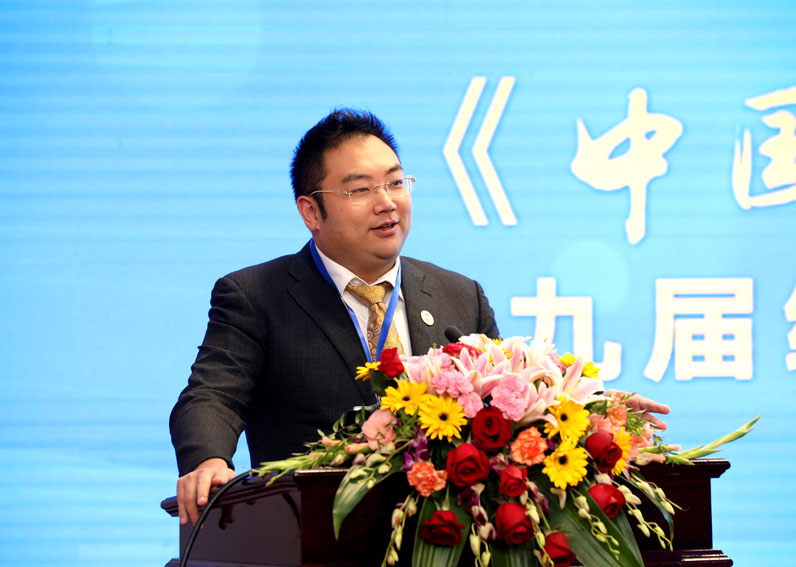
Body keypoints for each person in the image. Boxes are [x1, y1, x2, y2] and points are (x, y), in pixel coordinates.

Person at [170, 108, 670, 526]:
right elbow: (211, 394)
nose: (387, 202)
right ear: (311, 212)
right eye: (360, 190)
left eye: (396, 182)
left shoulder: (460, 295)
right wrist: (209, 459)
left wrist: (590, 413)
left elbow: (510, 398)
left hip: (443, 536)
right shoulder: (258, 295)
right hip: (311, 533)